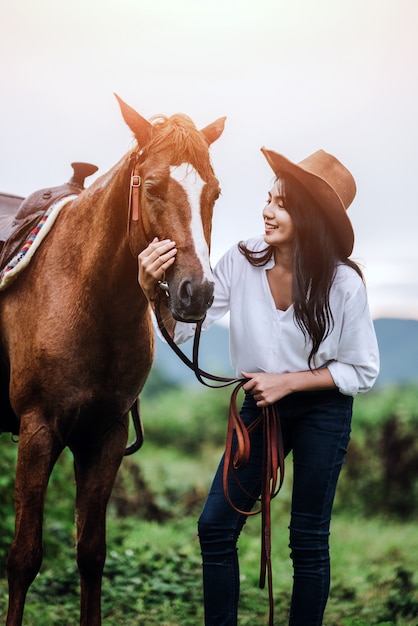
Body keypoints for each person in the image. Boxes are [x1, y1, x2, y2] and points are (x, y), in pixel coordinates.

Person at [137, 147, 380, 625]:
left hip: (323, 410)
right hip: (259, 408)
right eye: (267, 198)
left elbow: (362, 371)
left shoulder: (343, 285)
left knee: (308, 540)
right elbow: (188, 328)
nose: (267, 210)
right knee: (215, 526)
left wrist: (288, 382)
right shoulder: (241, 261)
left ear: (308, 216)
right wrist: (152, 292)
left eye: (282, 203)